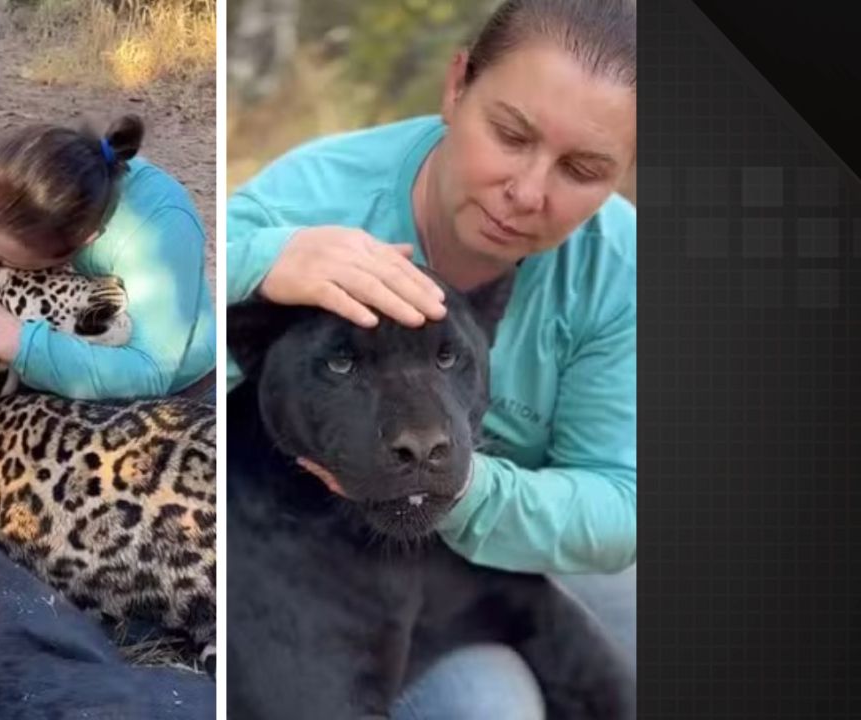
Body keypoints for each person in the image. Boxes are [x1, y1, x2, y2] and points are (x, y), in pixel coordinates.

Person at [225, 0, 637, 716]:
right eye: (510, 134)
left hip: (507, 532)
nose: (528, 193)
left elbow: (621, 503)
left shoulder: (616, 269)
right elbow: (161, 347)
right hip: (321, 558)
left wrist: (466, 490)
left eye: (584, 168)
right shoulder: (311, 200)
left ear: (623, 173)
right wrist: (253, 264)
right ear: (455, 88)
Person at [0, 114, 217, 403]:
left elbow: (149, 372)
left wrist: (11, 340)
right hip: (28, 384)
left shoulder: (159, 227)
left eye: (7, 258)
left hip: (170, 400)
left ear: (86, 241)